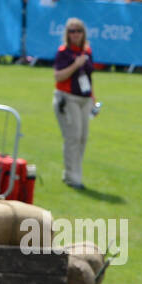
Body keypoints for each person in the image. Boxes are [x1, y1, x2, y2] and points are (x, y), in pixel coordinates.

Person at [52, 17, 94, 189]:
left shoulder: (87, 50)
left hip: (85, 98)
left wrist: (93, 96)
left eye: (78, 30)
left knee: (83, 137)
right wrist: (75, 65)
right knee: (73, 136)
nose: (75, 34)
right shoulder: (63, 52)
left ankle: (74, 171)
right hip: (68, 97)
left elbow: (89, 76)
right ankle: (72, 177)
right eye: (72, 31)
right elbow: (58, 76)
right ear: (67, 34)